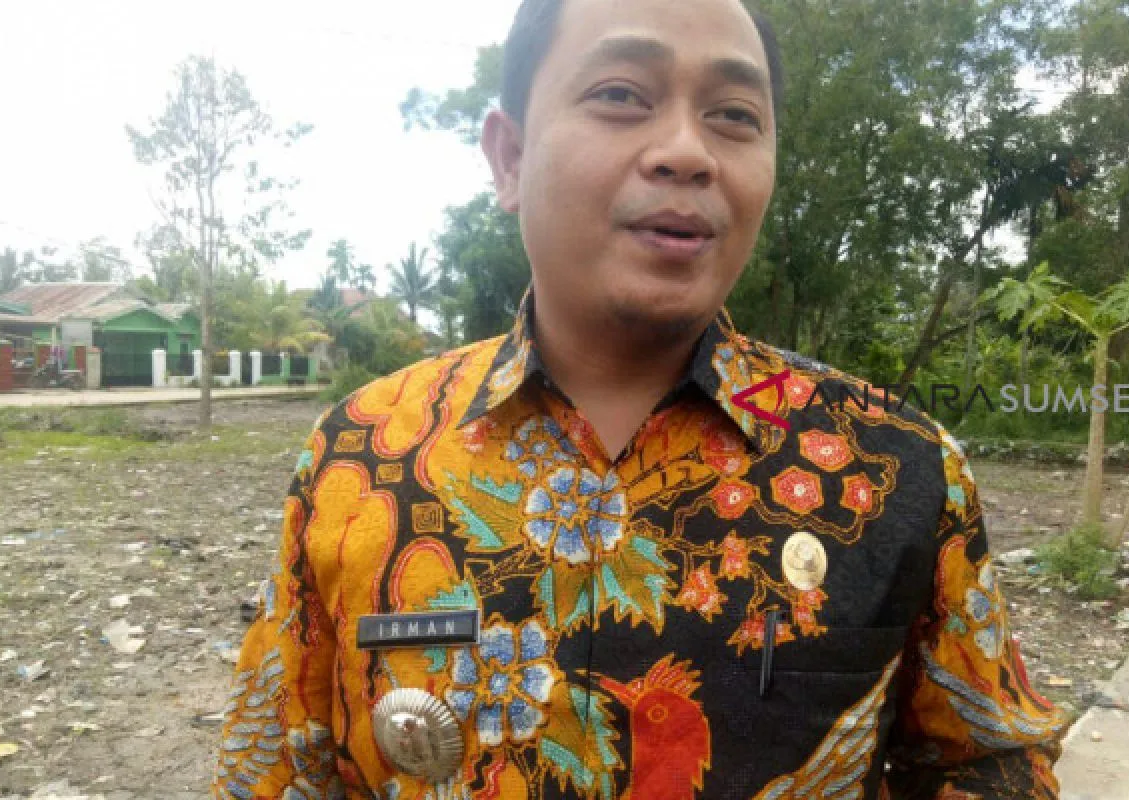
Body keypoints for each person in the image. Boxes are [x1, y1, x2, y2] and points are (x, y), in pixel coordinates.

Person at [212, 0, 1067, 797]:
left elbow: (993, 767)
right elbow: (279, 769)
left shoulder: (894, 469)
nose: (688, 151)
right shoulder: (359, 454)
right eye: (621, 95)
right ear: (510, 158)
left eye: (734, 114)